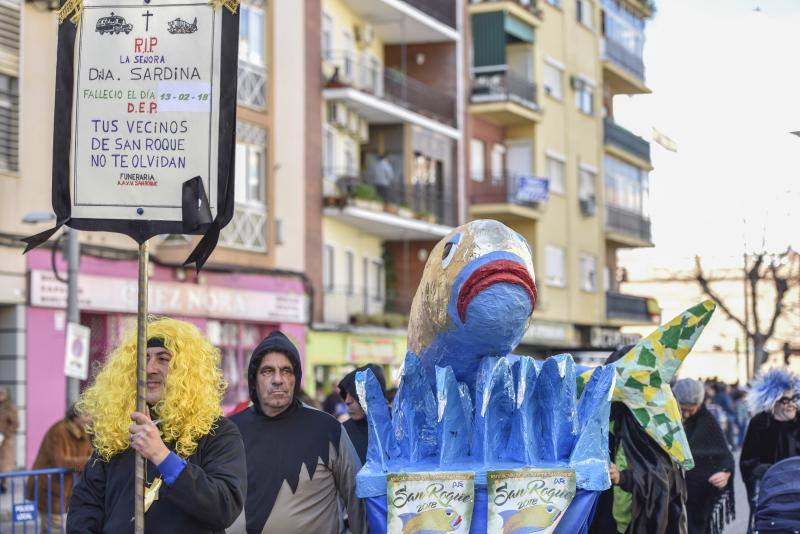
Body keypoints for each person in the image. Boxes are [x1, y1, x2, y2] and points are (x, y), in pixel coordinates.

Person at [67, 317, 247, 533]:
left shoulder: (217, 433)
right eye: (144, 358)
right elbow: (85, 508)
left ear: (185, 370)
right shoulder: (115, 432)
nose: (150, 368)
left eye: (163, 359)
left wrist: (162, 456)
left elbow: (223, 506)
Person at [229, 331, 366, 533]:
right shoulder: (229, 432)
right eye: (267, 371)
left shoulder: (327, 429)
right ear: (254, 379)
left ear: (296, 379)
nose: (278, 379)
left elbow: (358, 499)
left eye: (286, 371)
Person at [590, 346, 688, 534]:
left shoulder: (657, 417)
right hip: (606, 514)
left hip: (642, 519)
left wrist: (624, 477)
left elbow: (666, 477)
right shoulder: (605, 413)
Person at [674, 378, 735, 534]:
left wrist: (725, 473)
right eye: (682, 409)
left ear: (699, 406)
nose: (686, 414)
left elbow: (725, 456)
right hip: (671, 496)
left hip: (699, 501)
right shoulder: (666, 422)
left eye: (691, 410)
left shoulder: (707, 422)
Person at [740, 368, 800, 522]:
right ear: (773, 402)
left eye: (794, 399)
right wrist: (764, 472)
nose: (792, 404)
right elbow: (748, 461)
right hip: (770, 492)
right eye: (786, 400)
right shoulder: (760, 423)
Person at [26, 404, 92, 533]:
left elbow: (91, 453)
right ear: (75, 417)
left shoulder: (84, 431)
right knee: (54, 526)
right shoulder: (59, 430)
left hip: (66, 488)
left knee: (49, 528)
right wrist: (87, 462)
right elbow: (60, 461)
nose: (90, 418)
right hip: (49, 487)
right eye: (86, 415)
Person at [337, 364, 387, 464]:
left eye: (353, 393)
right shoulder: (342, 433)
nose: (347, 400)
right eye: (345, 394)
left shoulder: (397, 428)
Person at [0, 386, 19, 494]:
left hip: (6, 440)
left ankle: (3, 484)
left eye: (1, 394)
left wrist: (5, 434)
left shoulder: (10, 407)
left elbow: (15, 424)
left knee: (5, 463)